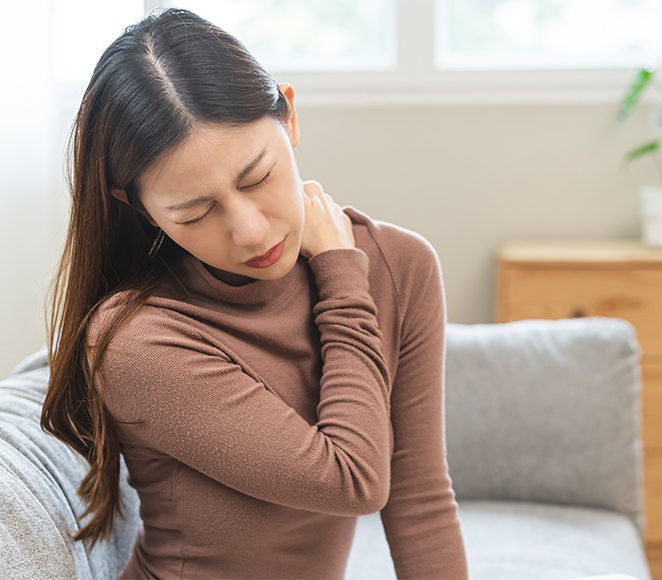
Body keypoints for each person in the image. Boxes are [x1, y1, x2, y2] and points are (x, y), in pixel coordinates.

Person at [41, 8, 468, 579]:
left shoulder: (401, 265)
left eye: (256, 178)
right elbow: (353, 478)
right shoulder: (137, 339)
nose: (250, 231)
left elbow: (419, 500)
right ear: (137, 207)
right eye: (196, 212)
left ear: (288, 117)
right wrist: (342, 279)